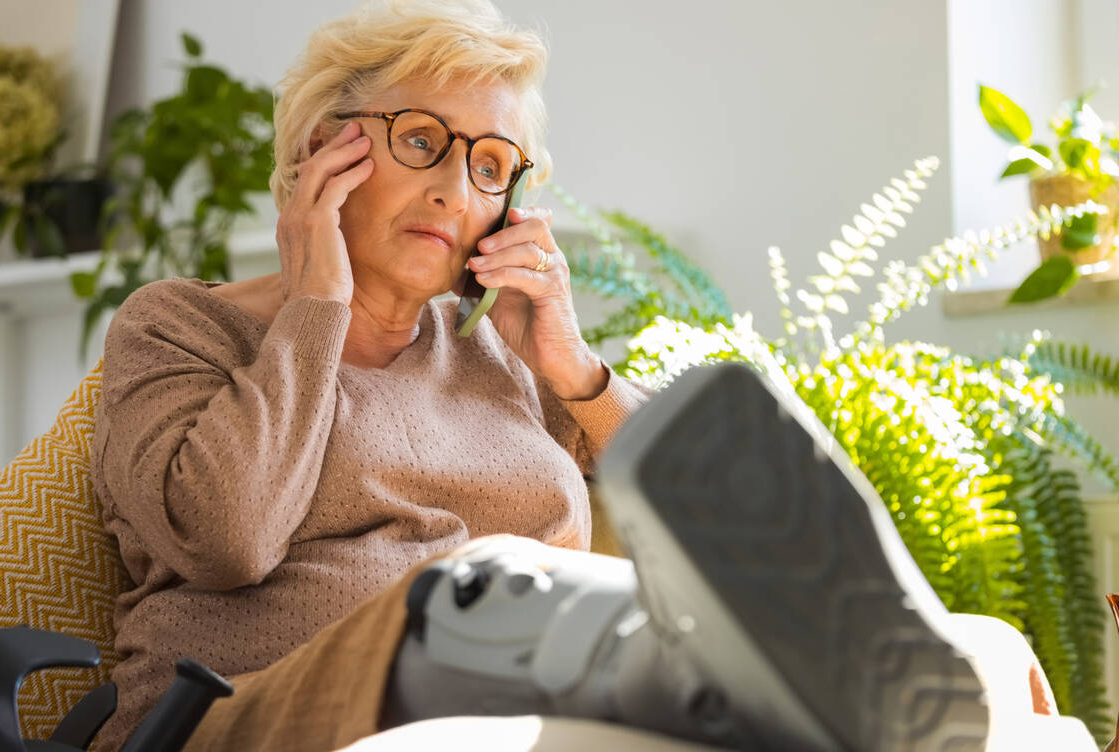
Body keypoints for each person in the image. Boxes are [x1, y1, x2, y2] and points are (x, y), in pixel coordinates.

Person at [88, 1, 1099, 750]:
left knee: (951, 696)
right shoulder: (182, 324)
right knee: (480, 587)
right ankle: (808, 671)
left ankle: (852, 675)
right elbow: (229, 537)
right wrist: (320, 301)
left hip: (526, 690)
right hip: (253, 713)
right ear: (322, 155)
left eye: (492, 164)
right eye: (424, 141)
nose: (454, 185)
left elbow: (692, 509)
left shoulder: (495, 353)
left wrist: (574, 370)